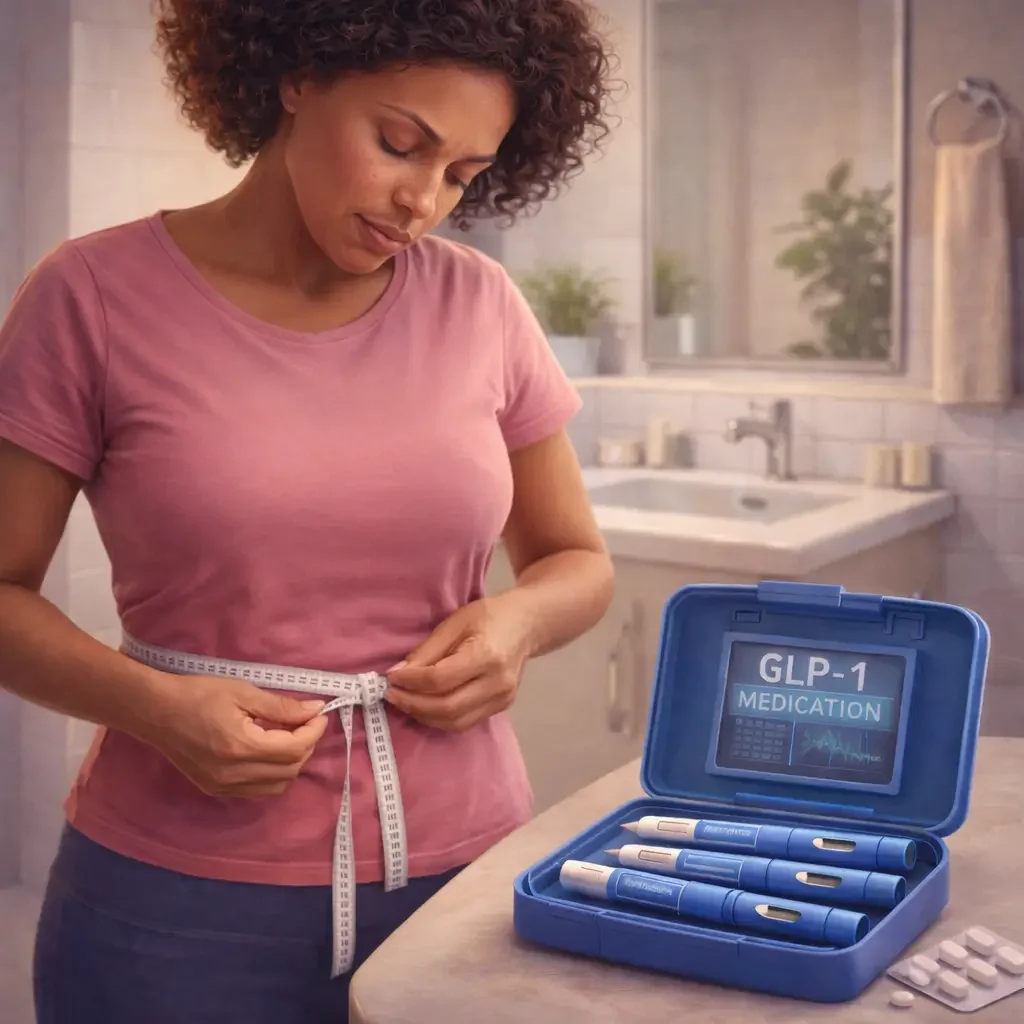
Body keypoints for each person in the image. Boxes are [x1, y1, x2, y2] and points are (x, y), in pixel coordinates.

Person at [0, 1, 617, 1021]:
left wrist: (518, 623)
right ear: (298, 74)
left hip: (461, 880)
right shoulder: (90, 295)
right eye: (399, 143)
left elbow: (575, 561)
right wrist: (154, 708)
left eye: (462, 174)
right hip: (172, 905)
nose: (422, 200)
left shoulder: (480, 304)